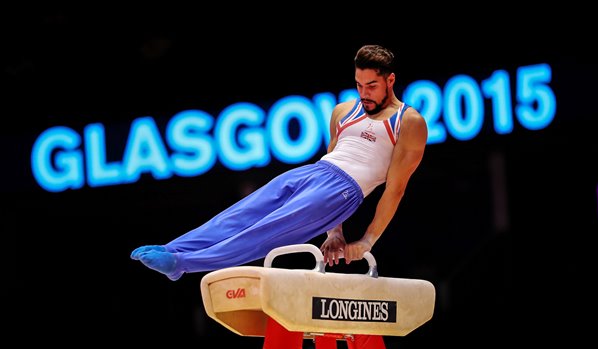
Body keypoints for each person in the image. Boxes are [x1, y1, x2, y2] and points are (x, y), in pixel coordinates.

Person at [130, 44, 428, 280]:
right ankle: (172, 248)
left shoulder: (409, 122)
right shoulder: (342, 110)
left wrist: (366, 242)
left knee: (264, 232)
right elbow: (332, 153)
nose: (364, 93)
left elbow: (396, 189)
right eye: (359, 84)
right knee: (240, 214)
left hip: (343, 191)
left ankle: (182, 263)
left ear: (390, 80)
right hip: (314, 172)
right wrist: (335, 233)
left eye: (372, 86)